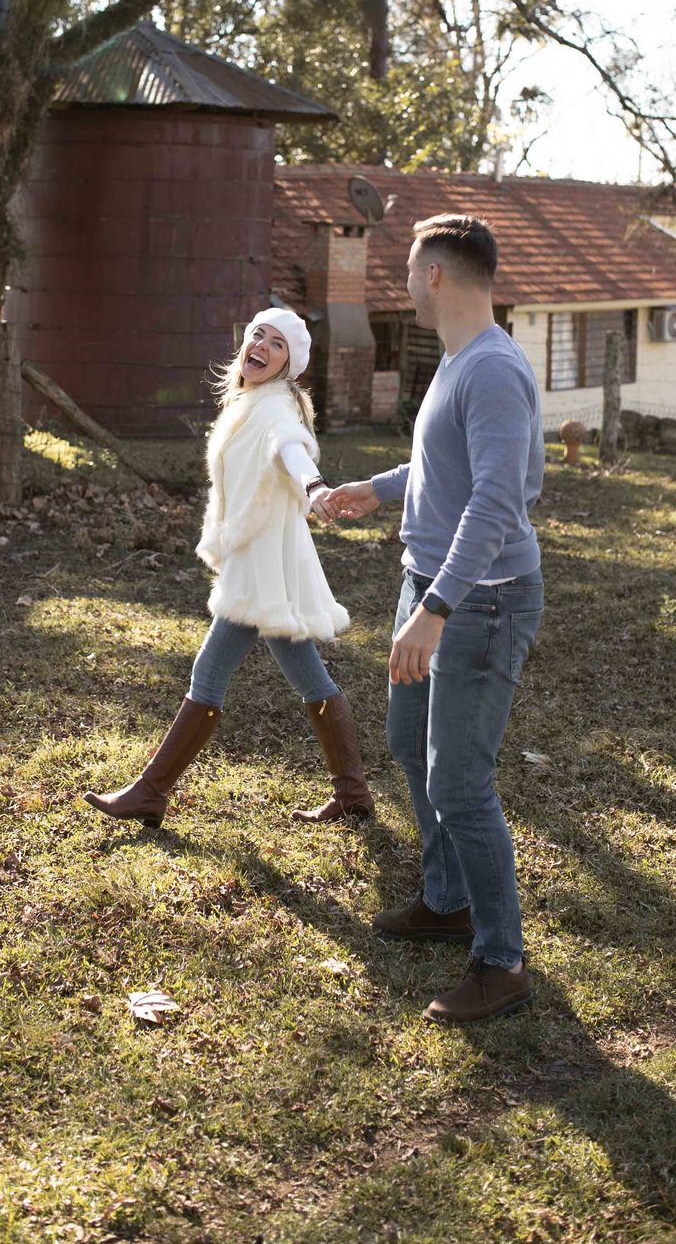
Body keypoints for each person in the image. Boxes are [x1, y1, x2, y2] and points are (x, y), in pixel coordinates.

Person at [327, 215, 544, 1024]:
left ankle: (500, 959)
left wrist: (436, 609)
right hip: (433, 583)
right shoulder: (460, 361)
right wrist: (375, 491)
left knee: (459, 778)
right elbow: (444, 464)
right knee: (407, 744)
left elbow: (496, 500)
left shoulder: (491, 369)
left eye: (411, 267)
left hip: (479, 599)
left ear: (438, 277)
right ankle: (447, 900)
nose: (403, 280)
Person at [84, 308, 374, 830]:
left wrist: (313, 487)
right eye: (257, 334)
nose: (261, 345)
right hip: (258, 562)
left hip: (261, 568)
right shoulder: (250, 403)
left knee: (210, 674)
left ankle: (151, 792)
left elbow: (290, 448)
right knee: (311, 679)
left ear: (289, 365)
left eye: (277, 343)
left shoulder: (277, 412)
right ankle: (352, 796)